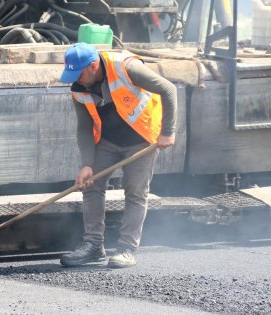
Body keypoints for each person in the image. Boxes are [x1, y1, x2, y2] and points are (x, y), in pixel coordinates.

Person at [59, 42, 176, 268]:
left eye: (78, 73)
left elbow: (168, 89)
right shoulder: (78, 88)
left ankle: (126, 249)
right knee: (91, 185)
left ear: (93, 66)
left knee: (135, 192)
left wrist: (168, 132)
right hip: (108, 140)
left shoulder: (126, 67)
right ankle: (93, 246)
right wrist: (87, 164)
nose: (75, 79)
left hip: (141, 139)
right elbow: (83, 127)